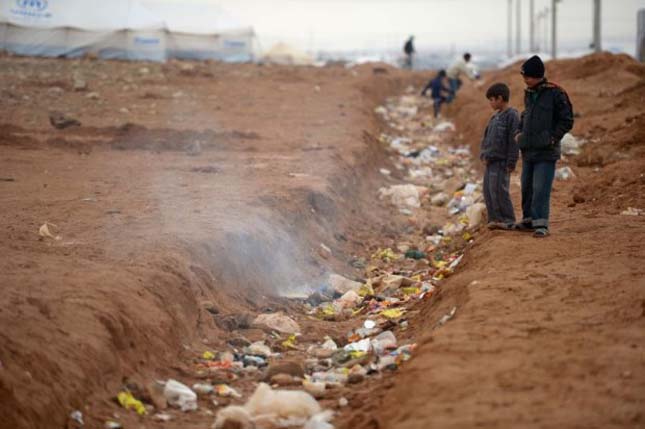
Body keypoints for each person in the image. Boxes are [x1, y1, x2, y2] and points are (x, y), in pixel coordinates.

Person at [514, 55, 574, 238]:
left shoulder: (556, 93)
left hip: (546, 151)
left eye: (528, 77)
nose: (525, 80)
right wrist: (519, 133)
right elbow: (526, 115)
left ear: (537, 75)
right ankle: (529, 220)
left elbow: (567, 120)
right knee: (527, 186)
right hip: (529, 149)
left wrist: (552, 138)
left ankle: (541, 225)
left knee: (541, 188)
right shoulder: (530, 93)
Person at [480, 83, 520, 230]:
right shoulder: (495, 117)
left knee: (499, 191)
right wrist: (484, 154)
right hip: (490, 161)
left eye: (492, 100)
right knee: (489, 191)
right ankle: (494, 219)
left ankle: (507, 220)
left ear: (500, 98)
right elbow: (487, 138)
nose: (490, 103)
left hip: (501, 161)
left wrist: (511, 162)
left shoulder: (512, 116)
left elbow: (513, 141)